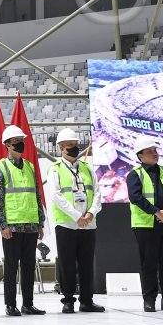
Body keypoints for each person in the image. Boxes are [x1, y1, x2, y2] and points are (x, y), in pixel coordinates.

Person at [46, 128, 104, 314]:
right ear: (61, 147)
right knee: (67, 264)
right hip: (67, 225)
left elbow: (97, 193)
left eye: (75, 144)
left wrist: (90, 213)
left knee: (87, 264)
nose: (74, 147)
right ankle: (68, 300)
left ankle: (87, 300)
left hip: (88, 224)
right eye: (70, 145)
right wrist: (76, 216)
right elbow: (56, 196)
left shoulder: (87, 168)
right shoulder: (55, 169)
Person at [126, 135, 163, 312]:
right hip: (146, 225)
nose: (154, 154)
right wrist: (157, 212)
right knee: (149, 264)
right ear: (140, 156)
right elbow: (136, 198)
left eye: (155, 150)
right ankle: (149, 300)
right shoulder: (135, 175)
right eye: (149, 151)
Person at [0, 124, 46, 316]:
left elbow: (37, 195)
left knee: (29, 266)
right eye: (16, 142)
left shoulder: (30, 166)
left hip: (30, 224)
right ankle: (10, 305)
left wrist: (40, 222)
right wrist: (3, 224)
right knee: (11, 266)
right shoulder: (0, 167)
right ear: (7, 145)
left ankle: (28, 304)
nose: (20, 144)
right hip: (12, 226)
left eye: (21, 141)